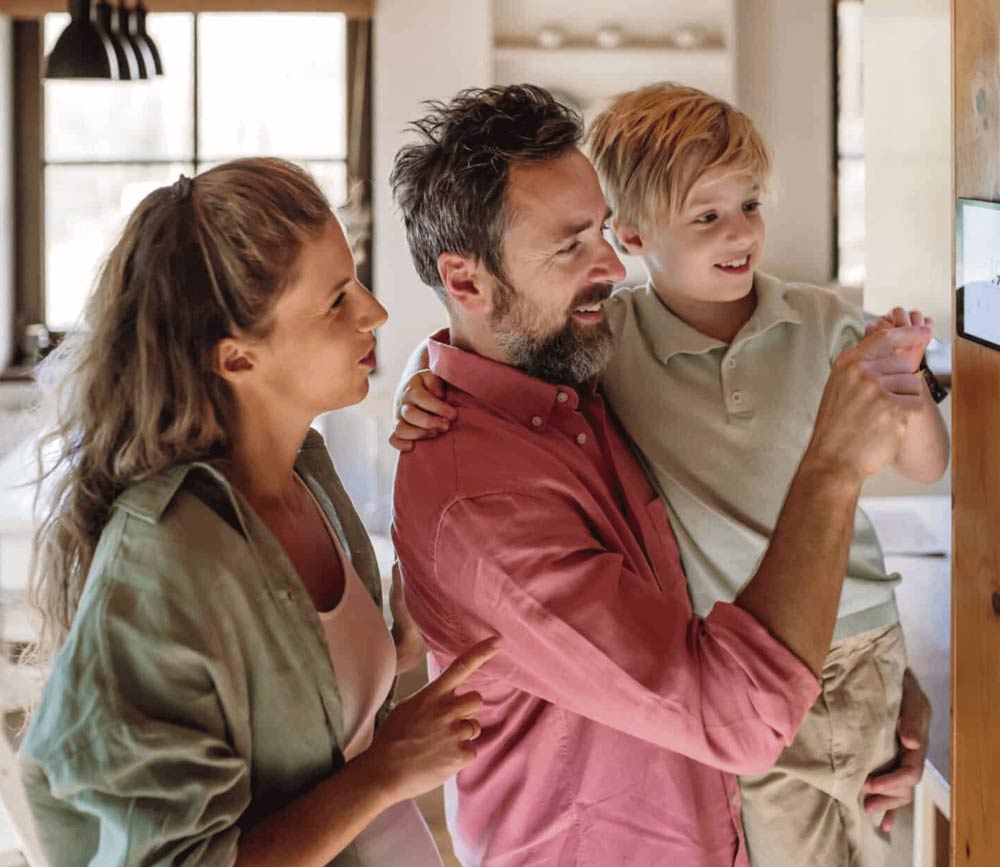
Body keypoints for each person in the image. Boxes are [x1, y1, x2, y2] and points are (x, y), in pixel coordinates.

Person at [388, 85, 932, 867]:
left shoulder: (571, 377)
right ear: (467, 283)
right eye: (571, 245)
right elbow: (740, 715)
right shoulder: (484, 502)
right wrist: (834, 464)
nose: (613, 266)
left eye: (601, 230)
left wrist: (866, 671)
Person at [18, 157, 496, 867]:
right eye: (336, 301)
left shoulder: (306, 476)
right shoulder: (162, 559)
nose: (374, 312)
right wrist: (386, 771)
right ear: (237, 359)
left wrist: (397, 646)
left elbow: (306, 720)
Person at [583, 83, 949, 866]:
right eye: (706, 216)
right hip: (746, 663)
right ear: (632, 234)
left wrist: (907, 381)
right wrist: (418, 381)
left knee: (886, 849)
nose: (741, 231)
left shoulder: (825, 322)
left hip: (864, 644)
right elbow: (488, 354)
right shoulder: (605, 343)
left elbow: (928, 465)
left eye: (749, 204)